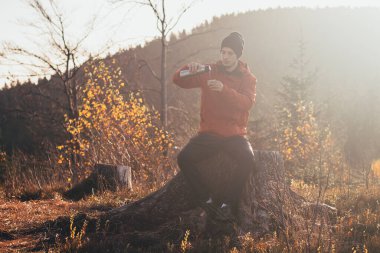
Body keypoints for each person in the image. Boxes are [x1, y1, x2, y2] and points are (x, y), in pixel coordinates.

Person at [172, 32, 257, 218]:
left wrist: (224, 90)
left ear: (238, 56)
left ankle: (229, 202)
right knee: (184, 158)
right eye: (223, 52)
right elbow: (178, 79)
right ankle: (207, 199)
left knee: (248, 158)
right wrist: (189, 67)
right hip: (209, 134)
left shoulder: (248, 78)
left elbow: (247, 103)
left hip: (235, 134)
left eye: (230, 54)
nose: (225, 57)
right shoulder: (209, 70)